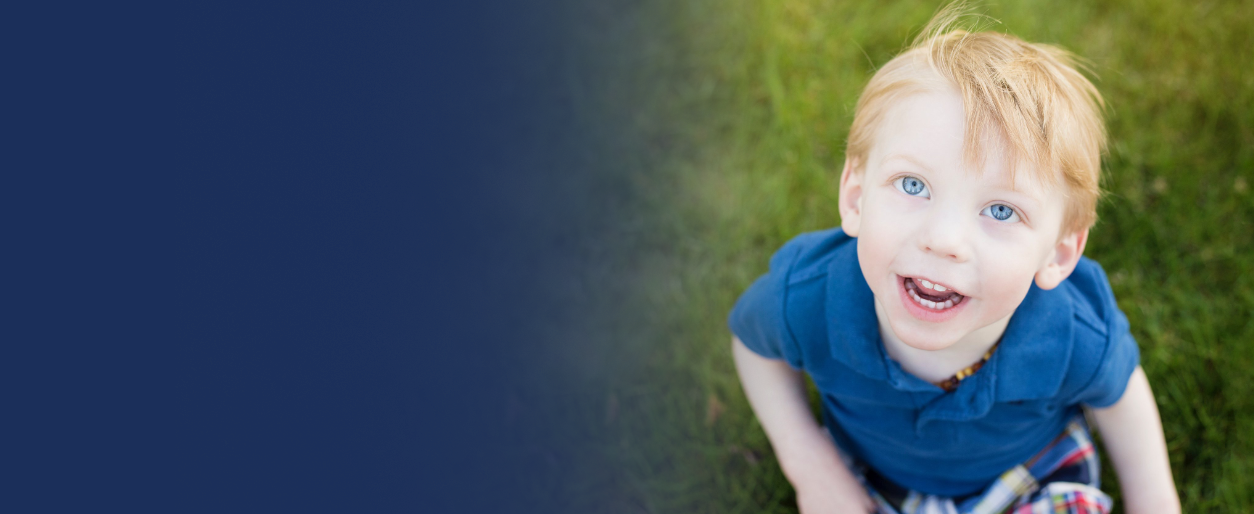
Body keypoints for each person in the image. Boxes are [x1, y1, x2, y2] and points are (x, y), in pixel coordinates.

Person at [728, 6, 1180, 514]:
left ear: (1057, 253)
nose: (944, 239)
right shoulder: (809, 296)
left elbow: (1120, 397)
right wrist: (809, 464)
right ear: (856, 197)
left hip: (1030, 471)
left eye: (1001, 210)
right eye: (914, 185)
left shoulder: (1069, 333)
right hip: (873, 474)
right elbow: (754, 347)